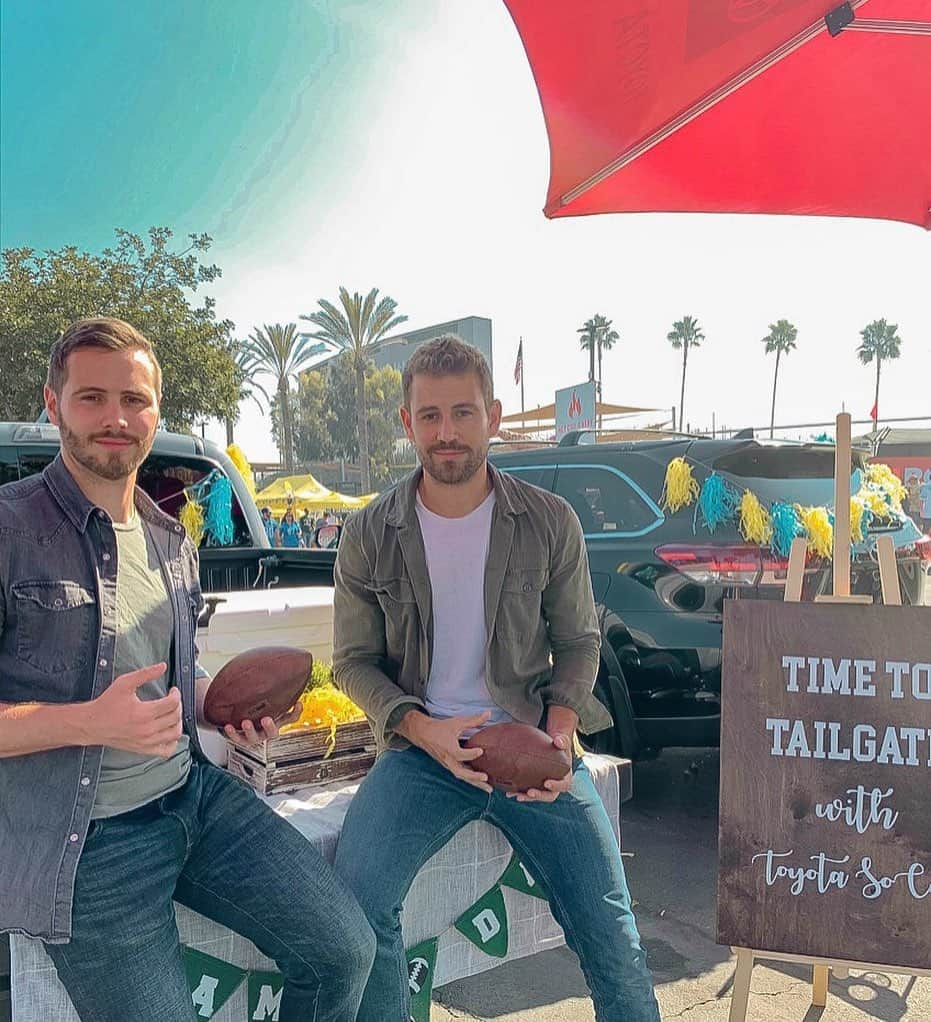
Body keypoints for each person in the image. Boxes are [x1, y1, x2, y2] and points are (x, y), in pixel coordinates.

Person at [0, 317, 374, 1022]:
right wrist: (87, 723)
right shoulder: (9, 530)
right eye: (91, 398)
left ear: (156, 411)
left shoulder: (172, 538)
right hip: (87, 845)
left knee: (344, 953)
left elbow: (179, 671)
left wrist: (215, 705)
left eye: (134, 399)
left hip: (193, 797)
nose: (116, 418)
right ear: (53, 405)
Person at [331, 335, 659, 1022]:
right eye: (429, 416)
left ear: (494, 416)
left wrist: (558, 733)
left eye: (462, 413)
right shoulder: (369, 533)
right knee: (356, 908)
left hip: (528, 739)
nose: (445, 433)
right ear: (406, 422)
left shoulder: (546, 521)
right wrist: (422, 730)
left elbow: (576, 640)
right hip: (420, 753)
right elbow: (352, 662)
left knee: (613, 938)